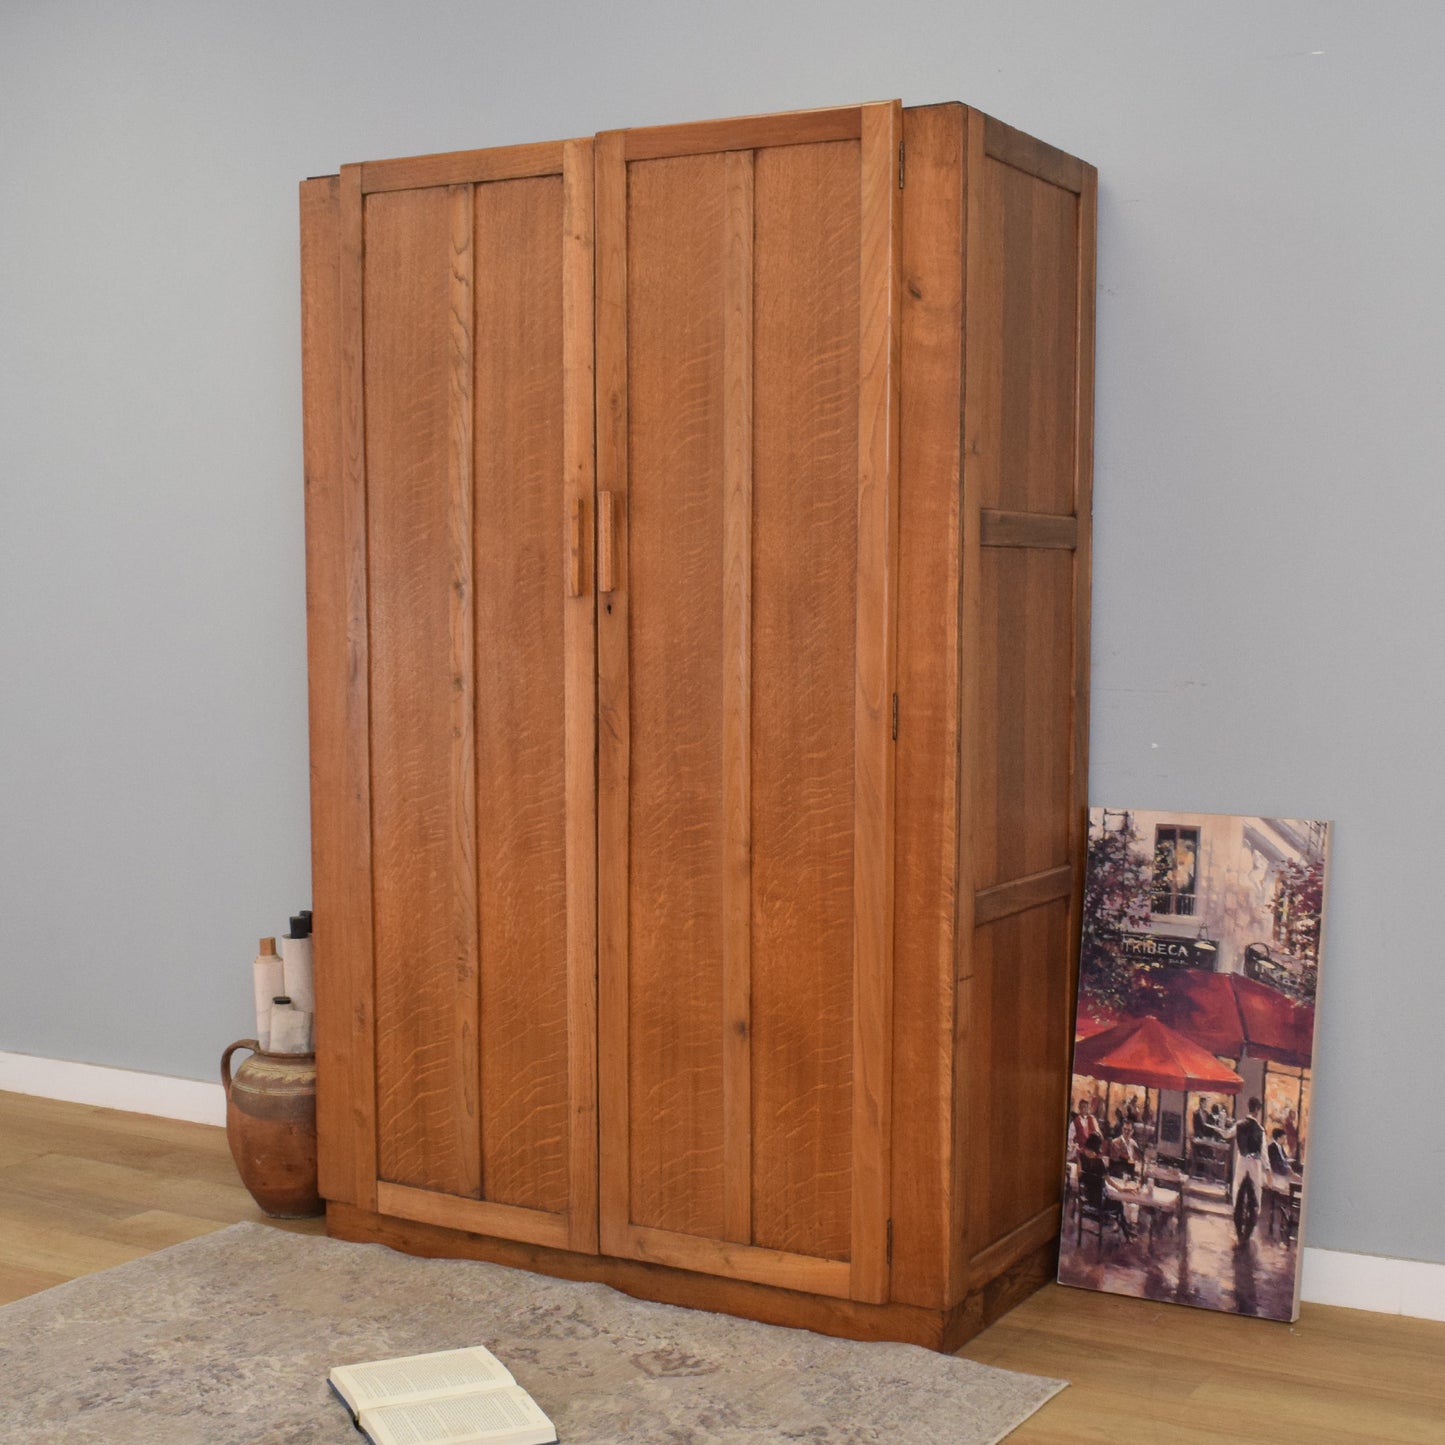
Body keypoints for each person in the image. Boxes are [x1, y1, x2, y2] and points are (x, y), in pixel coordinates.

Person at [1210, 1097, 1267, 1242]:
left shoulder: (1239, 1125)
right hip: (1255, 1164)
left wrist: (1216, 1128)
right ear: (1257, 1110)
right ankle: (1249, 1228)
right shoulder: (1260, 1130)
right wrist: (1268, 1170)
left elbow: (1226, 1134)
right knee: (1255, 1194)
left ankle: (1238, 1227)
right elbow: (1264, 1153)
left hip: (1242, 1162)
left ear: (1249, 1108)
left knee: (1238, 1190)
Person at [1079, 1133, 1133, 1241]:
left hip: (1087, 1199)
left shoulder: (1081, 1157)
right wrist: (1122, 1189)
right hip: (1100, 1203)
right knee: (1119, 1205)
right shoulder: (1099, 1163)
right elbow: (1109, 1181)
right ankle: (1127, 1234)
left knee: (1112, 1201)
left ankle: (1127, 1231)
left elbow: (1080, 1176)